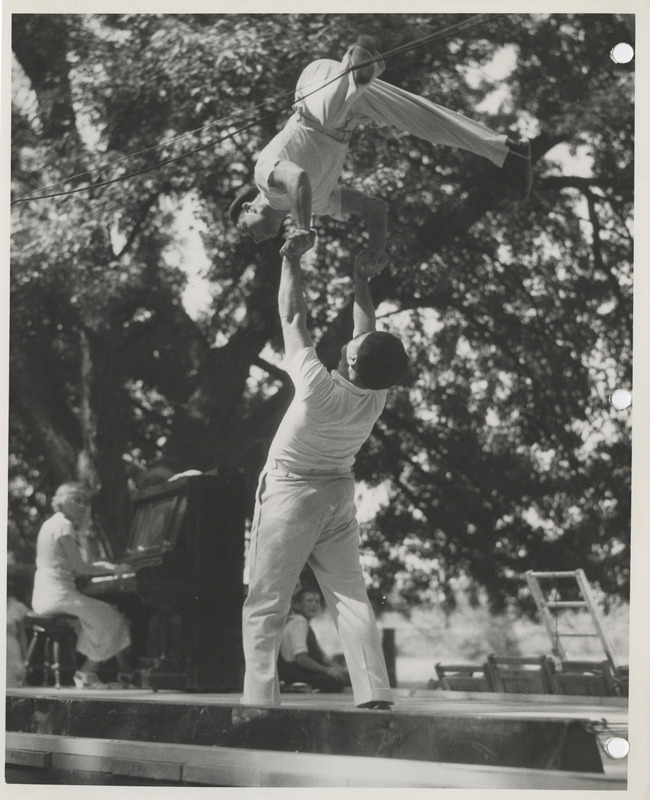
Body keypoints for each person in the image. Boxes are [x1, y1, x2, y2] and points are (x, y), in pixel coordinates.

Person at [242, 229, 408, 709]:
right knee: (350, 597)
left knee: (267, 600)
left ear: (353, 359)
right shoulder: (375, 395)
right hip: (337, 495)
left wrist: (290, 260)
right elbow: (367, 330)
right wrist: (360, 281)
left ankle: (258, 702)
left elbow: (292, 315)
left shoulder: (317, 384)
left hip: (291, 493)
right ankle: (374, 692)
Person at [230, 36, 533, 265]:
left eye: (245, 231)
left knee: (328, 113)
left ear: (248, 208)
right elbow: (373, 207)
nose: (254, 240)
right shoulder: (318, 205)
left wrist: (302, 229)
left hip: (315, 92)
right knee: (424, 120)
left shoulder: (263, 176)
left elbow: (297, 178)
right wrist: (376, 252)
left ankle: (354, 64)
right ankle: (508, 152)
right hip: (351, 110)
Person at [31, 482, 134, 689]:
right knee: (114, 618)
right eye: (77, 501)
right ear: (64, 502)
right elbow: (81, 568)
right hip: (58, 595)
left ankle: (125, 672)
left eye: (84, 502)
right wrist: (113, 569)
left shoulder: (49, 523)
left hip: (43, 596)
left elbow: (75, 566)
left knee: (96, 620)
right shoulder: (64, 525)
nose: (82, 506)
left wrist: (102, 566)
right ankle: (86, 672)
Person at [278, 587, 351, 693]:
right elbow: (301, 658)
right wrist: (327, 670)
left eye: (317, 601)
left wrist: (337, 669)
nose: (314, 604)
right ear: (297, 605)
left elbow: (325, 658)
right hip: (296, 673)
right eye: (309, 600)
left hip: (300, 672)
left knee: (344, 676)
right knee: (335, 680)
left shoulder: (303, 624)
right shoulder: (299, 622)